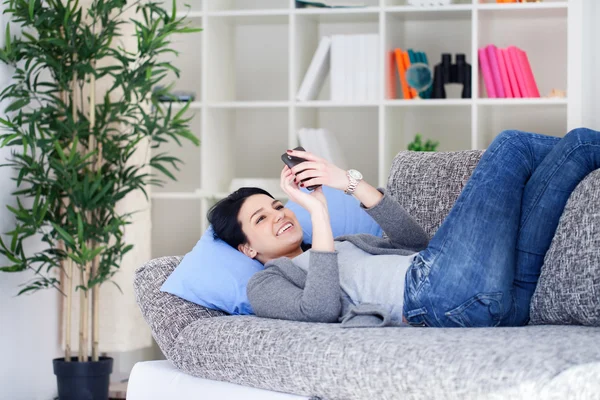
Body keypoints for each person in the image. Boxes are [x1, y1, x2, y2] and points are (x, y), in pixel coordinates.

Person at [207, 128, 600, 328]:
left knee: (580, 144)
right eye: (261, 218)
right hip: (435, 298)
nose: (280, 214)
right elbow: (321, 309)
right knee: (511, 144)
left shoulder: (346, 244)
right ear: (247, 248)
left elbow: (417, 244)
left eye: (277, 205)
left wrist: (346, 180)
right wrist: (319, 211)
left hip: (508, 301)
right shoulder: (265, 284)